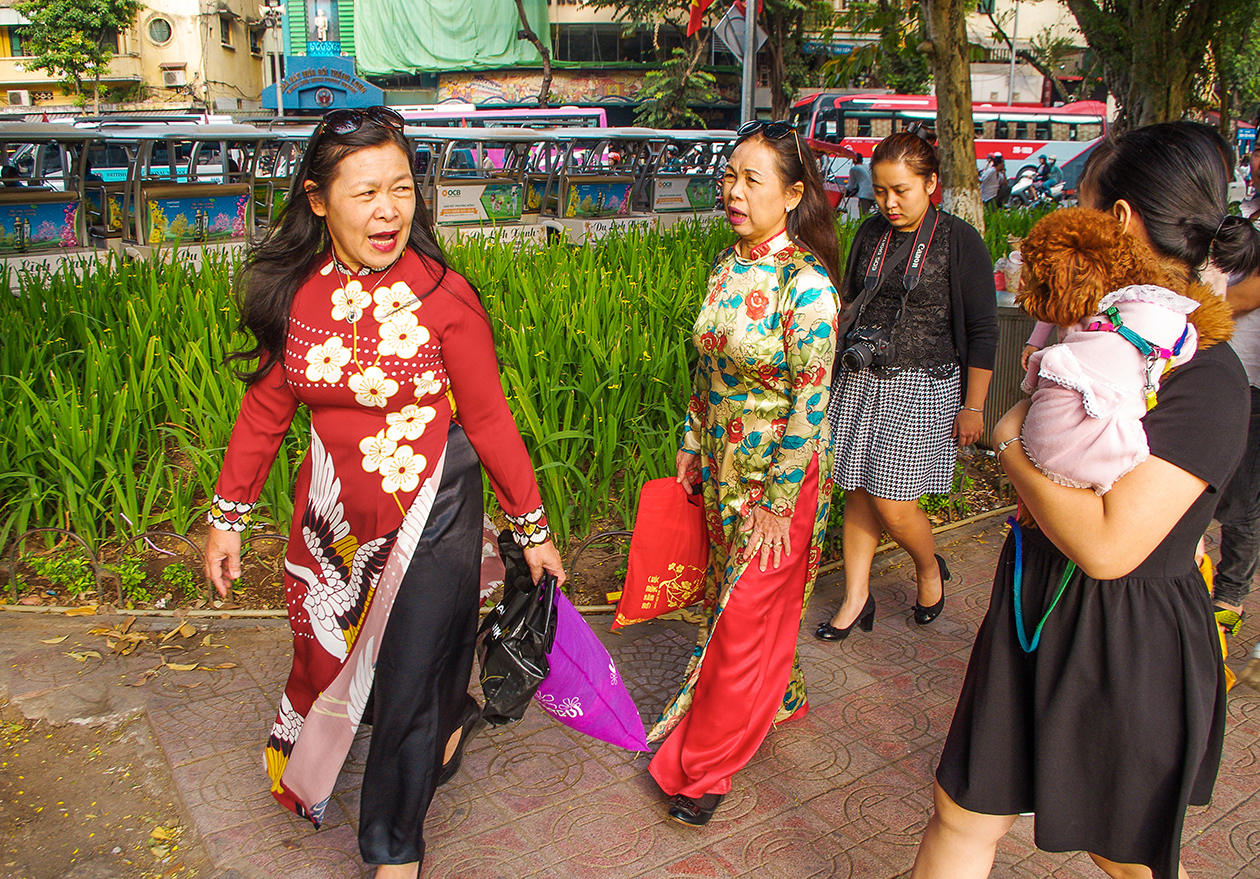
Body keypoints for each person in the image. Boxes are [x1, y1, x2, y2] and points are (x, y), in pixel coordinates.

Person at [202, 106, 565, 879]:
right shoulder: (294, 298)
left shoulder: (443, 294)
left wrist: (532, 527)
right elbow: (265, 410)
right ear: (316, 199)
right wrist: (227, 518)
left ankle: (394, 847)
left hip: (434, 509)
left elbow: (491, 419)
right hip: (333, 524)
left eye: (401, 188)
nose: (389, 210)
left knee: (404, 679)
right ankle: (450, 718)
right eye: (365, 192)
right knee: (341, 661)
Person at [912, 120, 1260, 879]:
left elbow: (1108, 545)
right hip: (1032, 598)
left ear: (1121, 221)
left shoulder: (1207, 376)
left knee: (1124, 854)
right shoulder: (1086, 333)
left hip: (1127, 638)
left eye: (1082, 204)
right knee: (961, 810)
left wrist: (1009, 442)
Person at [649, 120, 841, 828]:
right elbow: (706, 367)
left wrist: (779, 501)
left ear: (792, 195)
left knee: (737, 621)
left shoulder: (807, 283)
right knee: (737, 603)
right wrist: (691, 441)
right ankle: (781, 692)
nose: (732, 191)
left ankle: (703, 767)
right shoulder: (727, 266)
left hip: (778, 477)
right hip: (724, 468)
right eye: (729, 176)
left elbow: (812, 402)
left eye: (751, 180)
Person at [814, 125, 996, 641]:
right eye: (880, 191)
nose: (889, 203)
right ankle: (856, 598)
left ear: (931, 183)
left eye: (901, 190)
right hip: (861, 380)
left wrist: (975, 405)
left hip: (924, 385)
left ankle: (928, 566)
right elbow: (852, 300)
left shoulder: (960, 241)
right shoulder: (871, 234)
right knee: (857, 492)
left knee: (895, 503)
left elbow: (983, 330)